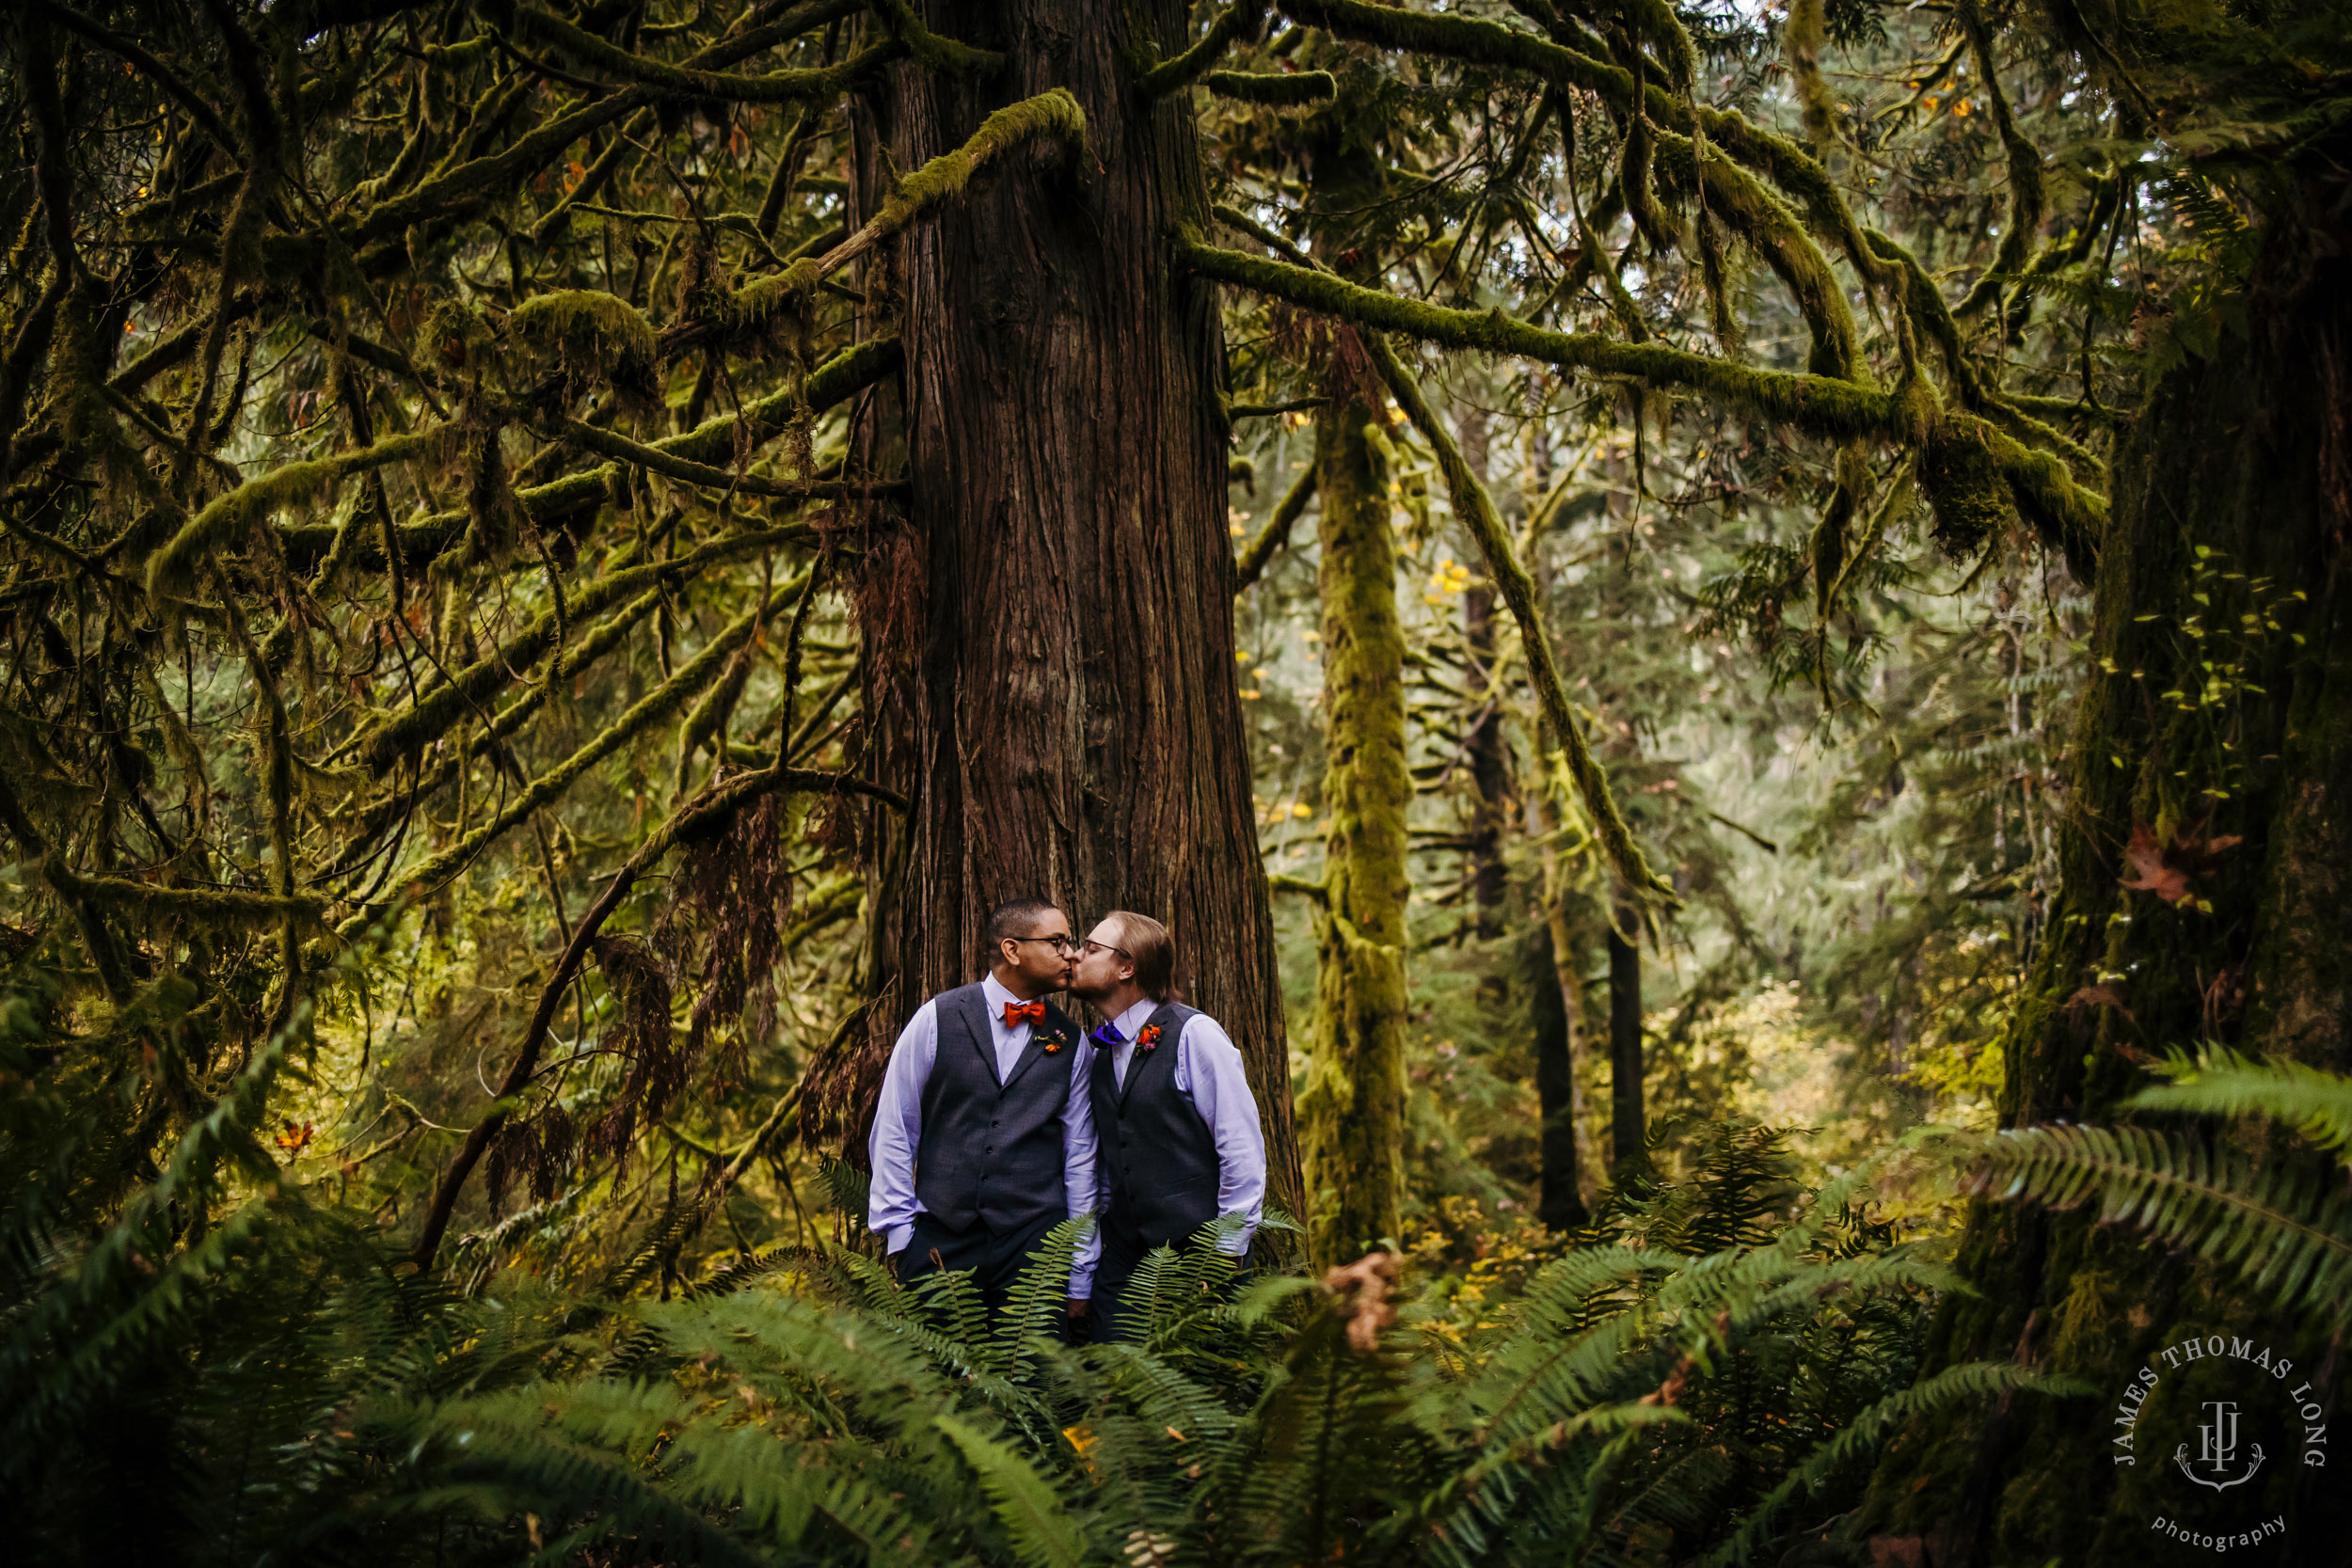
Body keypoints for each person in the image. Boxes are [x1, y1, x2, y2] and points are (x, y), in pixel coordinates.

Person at [866, 897, 1098, 1328]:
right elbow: (896, 1127)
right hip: (940, 1238)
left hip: (1037, 1245)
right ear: (1012, 950)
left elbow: (1080, 1158)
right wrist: (900, 1238)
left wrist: (1080, 1268)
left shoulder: (1073, 1042)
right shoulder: (936, 1019)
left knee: (1035, 1381)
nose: (1071, 953)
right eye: (1057, 942)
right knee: (936, 1381)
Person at [1066, 910, 1265, 1341]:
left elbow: (1241, 1147)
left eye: (1092, 948)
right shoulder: (1097, 1052)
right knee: (1110, 1379)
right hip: (1122, 1256)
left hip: (1199, 1253)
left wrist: (1227, 1250)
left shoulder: (1195, 1035)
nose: (1075, 956)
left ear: (1126, 966)